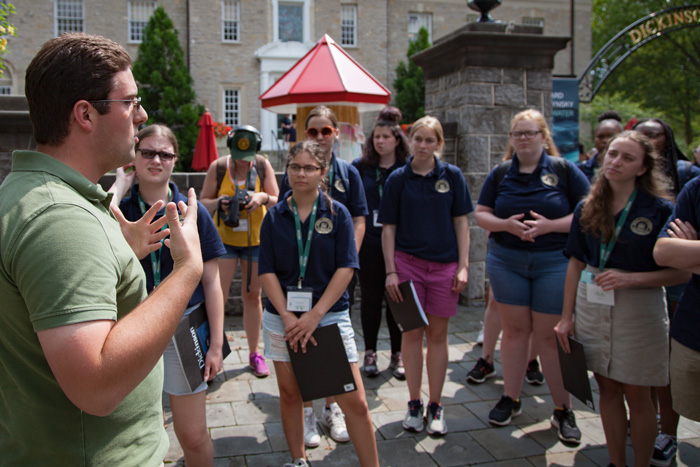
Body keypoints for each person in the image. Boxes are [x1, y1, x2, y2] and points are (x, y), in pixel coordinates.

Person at [0, 33, 203, 465]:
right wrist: (186, 271)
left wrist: (119, 252)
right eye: (130, 102)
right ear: (86, 114)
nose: (142, 114)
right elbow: (95, 385)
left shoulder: (39, 194)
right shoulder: (60, 220)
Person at [555, 131, 688, 467]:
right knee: (608, 389)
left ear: (643, 168)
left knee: (638, 394)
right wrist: (566, 316)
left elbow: (683, 274)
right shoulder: (587, 206)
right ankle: (617, 462)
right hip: (592, 304)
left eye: (627, 158)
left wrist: (633, 278)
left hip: (639, 310)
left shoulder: (660, 210)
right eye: (613, 154)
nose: (615, 161)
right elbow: (575, 263)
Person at [109, 124, 227, 467]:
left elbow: (212, 283)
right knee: (142, 434)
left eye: (165, 153)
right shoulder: (118, 210)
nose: (156, 159)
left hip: (183, 329)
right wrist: (117, 190)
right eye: (147, 152)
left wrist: (216, 345)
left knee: (192, 434)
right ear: (134, 156)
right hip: (132, 327)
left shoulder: (192, 212)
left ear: (176, 160)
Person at [258, 141, 379, 467]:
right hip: (282, 318)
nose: (301, 173)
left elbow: (346, 267)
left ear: (323, 173)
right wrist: (287, 315)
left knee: (355, 402)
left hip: (326, 317)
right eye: (295, 166)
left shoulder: (338, 214)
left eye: (309, 167)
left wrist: (313, 315)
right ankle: (298, 460)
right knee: (291, 394)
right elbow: (266, 271)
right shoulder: (273, 217)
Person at [475, 109, 590, 442]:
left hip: (553, 261)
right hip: (507, 260)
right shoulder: (500, 174)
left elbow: (587, 212)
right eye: (517, 134)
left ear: (543, 136)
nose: (523, 139)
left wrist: (549, 226)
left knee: (550, 337)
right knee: (513, 332)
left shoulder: (564, 170)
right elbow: (482, 214)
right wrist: (506, 224)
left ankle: (562, 409)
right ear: (511, 139)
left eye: (530, 133)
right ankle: (511, 398)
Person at [279, 105, 369, 447]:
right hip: (302, 280)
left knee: (334, 342)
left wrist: (349, 255)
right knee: (302, 340)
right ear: (305, 133)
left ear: (336, 133)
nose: (319, 137)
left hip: (338, 275)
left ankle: (333, 408)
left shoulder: (349, 173)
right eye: (313, 131)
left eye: (325, 132)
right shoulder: (297, 172)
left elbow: (359, 218)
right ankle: (306, 410)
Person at [379, 115, 472, 436]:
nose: (422, 145)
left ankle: (436, 404)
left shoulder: (453, 177)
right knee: (411, 333)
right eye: (418, 139)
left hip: (444, 266)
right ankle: (414, 403)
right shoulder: (397, 179)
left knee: (438, 336)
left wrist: (463, 265)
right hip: (407, 265)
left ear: (439, 144)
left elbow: (462, 222)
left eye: (429, 140)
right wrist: (390, 270)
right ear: (410, 140)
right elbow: (388, 228)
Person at [633, 117, 699, 464]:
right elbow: (667, 248)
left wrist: (691, 250)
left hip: (682, 282)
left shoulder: (686, 174)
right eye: (641, 134)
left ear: (667, 138)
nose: (647, 139)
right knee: (664, 357)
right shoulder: (635, 174)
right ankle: (665, 429)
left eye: (653, 134)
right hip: (655, 268)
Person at [200, 126, 279, 378]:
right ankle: (213, 350)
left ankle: (255, 352)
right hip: (223, 240)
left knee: (252, 295)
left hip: (255, 239)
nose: (242, 163)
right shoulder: (219, 166)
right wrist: (221, 202)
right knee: (217, 297)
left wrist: (261, 197)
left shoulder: (263, 165)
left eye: (247, 159)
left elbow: (278, 197)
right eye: (238, 157)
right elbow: (203, 201)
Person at [351, 107, 409, 379]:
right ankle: (370, 351)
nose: (380, 141)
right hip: (369, 244)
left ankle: (398, 354)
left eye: (386, 137)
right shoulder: (360, 168)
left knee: (397, 300)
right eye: (377, 136)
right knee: (371, 299)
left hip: (401, 244)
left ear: (397, 140)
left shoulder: (407, 168)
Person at [654, 177, 700, 427]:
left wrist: (691, 250)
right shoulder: (696, 188)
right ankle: (668, 435)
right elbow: (663, 253)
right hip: (693, 331)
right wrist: (680, 253)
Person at [577, 118, 623, 182]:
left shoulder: (629, 169)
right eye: (601, 137)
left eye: (611, 136)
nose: (605, 141)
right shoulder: (580, 170)